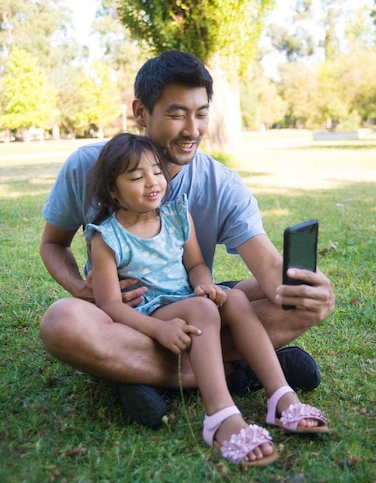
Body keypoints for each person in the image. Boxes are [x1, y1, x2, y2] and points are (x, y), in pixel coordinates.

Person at [39, 49, 335, 428]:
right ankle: (237, 373)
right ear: (141, 112)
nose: (192, 129)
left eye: (201, 114)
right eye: (177, 114)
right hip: (123, 313)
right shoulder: (88, 166)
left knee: (279, 299)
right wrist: (81, 288)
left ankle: (139, 375)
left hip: (193, 300)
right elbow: (53, 244)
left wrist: (310, 293)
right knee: (62, 322)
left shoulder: (222, 184)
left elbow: (268, 268)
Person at [84, 132, 328, 466]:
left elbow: (196, 265)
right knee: (203, 307)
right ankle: (220, 415)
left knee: (235, 300)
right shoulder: (107, 238)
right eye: (137, 177)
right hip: (149, 315)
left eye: (157, 171)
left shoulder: (176, 217)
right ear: (113, 189)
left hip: (188, 300)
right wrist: (158, 331)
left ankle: (280, 395)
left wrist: (206, 285)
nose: (152, 182)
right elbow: (110, 305)